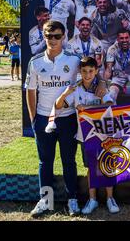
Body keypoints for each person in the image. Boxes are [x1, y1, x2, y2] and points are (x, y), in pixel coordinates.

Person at [25, 20, 105, 217]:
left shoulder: (73, 59)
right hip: (44, 119)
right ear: (43, 36)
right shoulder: (35, 62)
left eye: (57, 36)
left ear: (64, 36)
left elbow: (92, 70)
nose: (53, 40)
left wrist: (101, 82)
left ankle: (72, 201)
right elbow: (30, 91)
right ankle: (46, 200)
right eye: (49, 36)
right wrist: (34, 119)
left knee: (69, 161)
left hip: (68, 118)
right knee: (45, 161)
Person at [54, 56, 119, 215]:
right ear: (80, 72)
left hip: (104, 135)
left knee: (107, 165)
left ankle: (110, 198)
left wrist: (89, 107)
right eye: (84, 71)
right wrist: (64, 94)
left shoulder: (101, 88)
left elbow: (111, 106)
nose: (88, 74)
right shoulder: (75, 89)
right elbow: (58, 106)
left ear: (96, 71)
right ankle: (92, 200)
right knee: (91, 167)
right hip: (85, 136)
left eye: (91, 71)